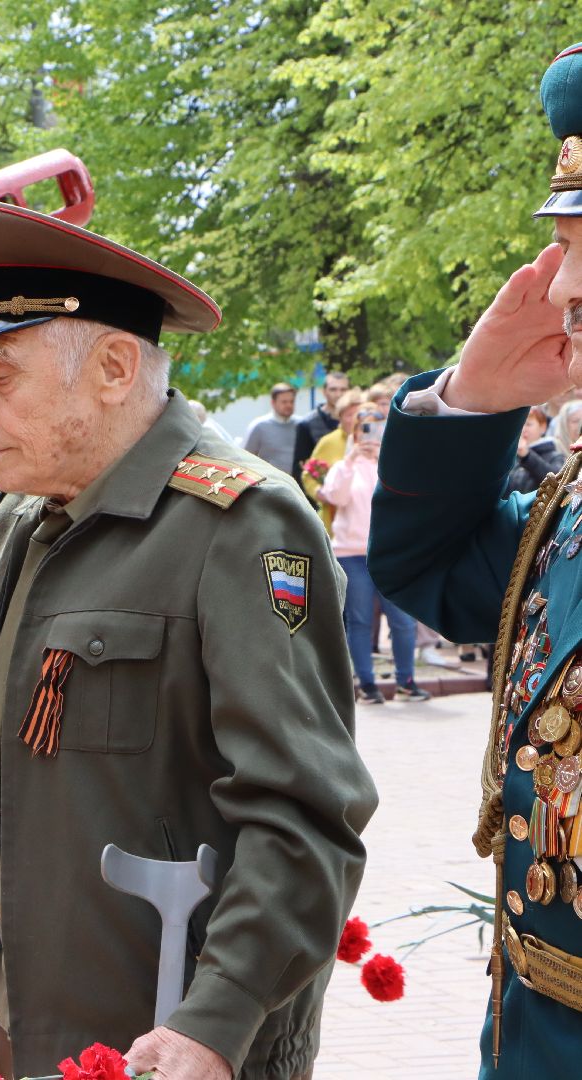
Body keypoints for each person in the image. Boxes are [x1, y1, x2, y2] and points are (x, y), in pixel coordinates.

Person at [0, 198, 375, 1080]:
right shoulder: (22, 512)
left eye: (1, 376)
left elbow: (305, 815)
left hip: (165, 1039)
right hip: (36, 1019)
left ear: (112, 366)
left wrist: (216, 1021)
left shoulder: (237, 523)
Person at [369, 42, 582, 1079]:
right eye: (566, 243)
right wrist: (474, 395)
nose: (566, 285)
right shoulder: (570, 508)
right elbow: (429, 568)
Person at [320, 403, 429, 704]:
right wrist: (352, 460)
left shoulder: (393, 463)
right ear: (354, 433)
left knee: (404, 620)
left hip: (390, 553)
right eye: (363, 428)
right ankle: (367, 685)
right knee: (360, 620)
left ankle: (406, 682)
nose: (369, 435)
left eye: (376, 428)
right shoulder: (343, 466)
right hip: (352, 554)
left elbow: (407, 499)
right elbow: (336, 497)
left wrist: (385, 459)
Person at [302, 388, 365, 533]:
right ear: (340, 416)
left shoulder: (372, 443)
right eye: (349, 415)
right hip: (333, 521)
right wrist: (321, 493)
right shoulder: (328, 442)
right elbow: (309, 475)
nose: (354, 419)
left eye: (358, 415)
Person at [292, 368, 350, 482]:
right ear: (324, 391)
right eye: (333, 389)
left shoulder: (358, 421)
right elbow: (300, 468)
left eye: (343, 389)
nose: (339, 394)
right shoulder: (307, 424)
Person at [241, 381, 298, 475]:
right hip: (270, 485)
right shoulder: (259, 426)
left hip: (297, 485)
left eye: (291, 402)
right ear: (273, 403)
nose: (289, 405)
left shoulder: (300, 425)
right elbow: (245, 459)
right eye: (284, 402)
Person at [506, 405, 565, 494]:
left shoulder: (556, 456)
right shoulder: (511, 455)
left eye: (529, 424)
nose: (524, 429)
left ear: (543, 427)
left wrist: (527, 456)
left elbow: (556, 482)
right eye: (521, 424)